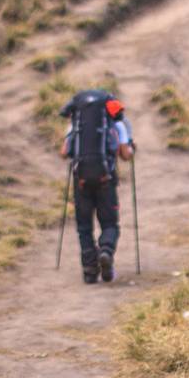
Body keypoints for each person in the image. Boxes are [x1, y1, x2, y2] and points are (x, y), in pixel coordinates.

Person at [60, 89, 134, 284]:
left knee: (84, 227)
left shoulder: (75, 125)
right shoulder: (118, 125)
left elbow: (64, 151)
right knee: (110, 224)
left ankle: (89, 270)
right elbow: (126, 155)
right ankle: (106, 251)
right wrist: (130, 148)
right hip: (106, 180)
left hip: (81, 180)